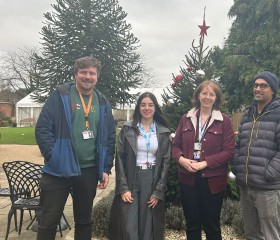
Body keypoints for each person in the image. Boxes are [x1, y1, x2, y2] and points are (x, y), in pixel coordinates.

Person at [35, 56, 116, 240]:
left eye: (92, 73)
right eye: (83, 72)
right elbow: (42, 129)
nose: (88, 76)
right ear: (75, 74)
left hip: (87, 171)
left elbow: (109, 138)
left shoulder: (102, 102)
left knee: (84, 220)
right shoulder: (60, 95)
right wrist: (54, 156)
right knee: (49, 221)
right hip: (58, 170)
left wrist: (104, 168)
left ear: (97, 76)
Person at [232, 71, 280, 240]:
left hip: (267, 188)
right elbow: (239, 145)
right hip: (247, 186)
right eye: (256, 85)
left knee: (269, 235)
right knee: (251, 234)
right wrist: (238, 168)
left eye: (263, 85)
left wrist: (268, 174)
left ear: (273, 90)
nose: (258, 89)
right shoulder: (247, 115)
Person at [172, 80, 235, 240]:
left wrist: (204, 163)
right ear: (198, 95)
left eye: (211, 94)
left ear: (216, 98)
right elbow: (175, 147)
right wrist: (182, 160)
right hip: (188, 179)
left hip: (213, 181)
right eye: (204, 93)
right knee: (192, 223)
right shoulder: (186, 119)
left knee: (211, 224)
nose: (207, 97)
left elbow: (229, 151)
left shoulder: (224, 121)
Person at [108, 92, 171, 240]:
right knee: (129, 225)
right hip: (132, 177)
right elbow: (120, 159)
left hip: (152, 179)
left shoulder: (162, 132)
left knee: (148, 226)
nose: (147, 108)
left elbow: (166, 163)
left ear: (155, 108)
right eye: (143, 105)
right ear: (138, 107)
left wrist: (158, 190)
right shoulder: (128, 129)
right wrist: (123, 188)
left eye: (150, 105)